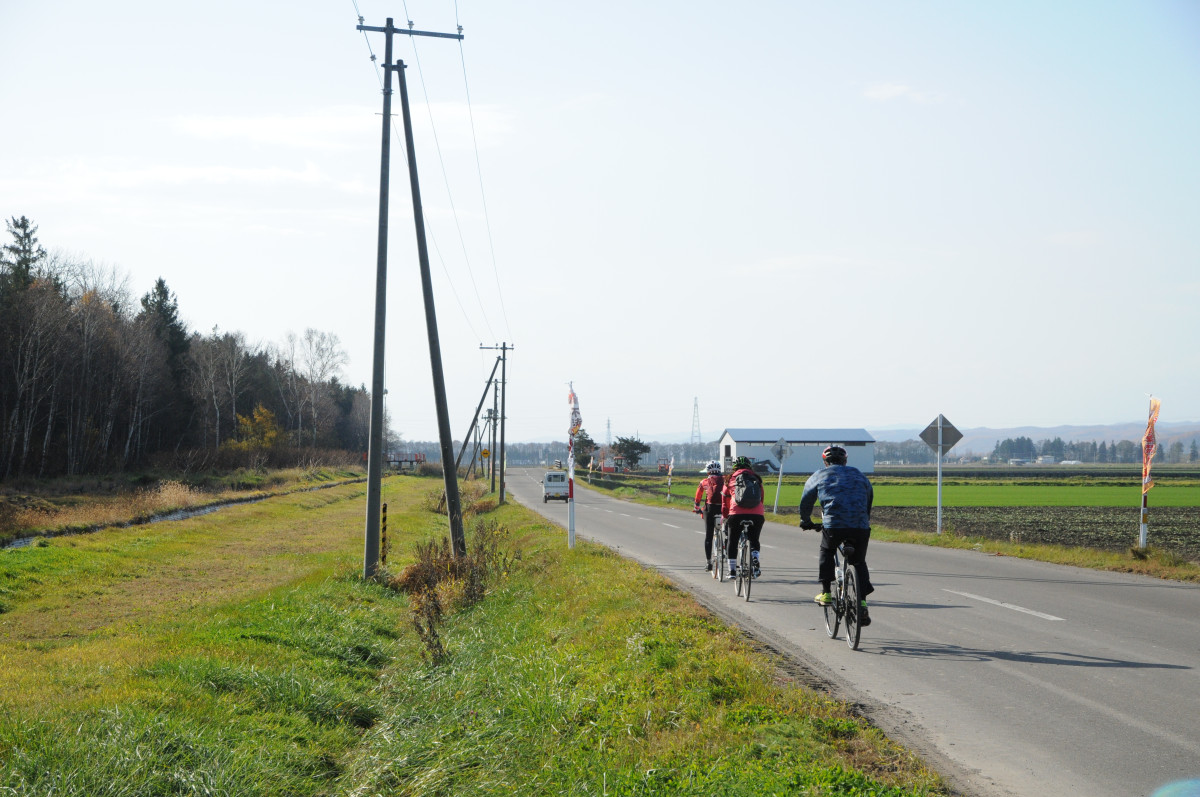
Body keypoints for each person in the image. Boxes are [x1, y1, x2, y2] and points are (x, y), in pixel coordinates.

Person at [800, 445, 875, 625]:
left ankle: (826, 593)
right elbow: (869, 497)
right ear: (845, 460)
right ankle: (862, 602)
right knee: (859, 561)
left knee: (826, 550)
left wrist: (806, 520)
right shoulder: (858, 474)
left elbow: (806, 500)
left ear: (825, 461)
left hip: (834, 524)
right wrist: (864, 518)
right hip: (860, 525)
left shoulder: (819, 475)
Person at [721, 455, 765, 579]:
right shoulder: (756, 478)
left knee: (732, 540)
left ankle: (732, 570)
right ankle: (755, 558)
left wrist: (725, 517)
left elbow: (725, 502)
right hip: (757, 515)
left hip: (736, 514)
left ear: (734, 468)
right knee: (754, 540)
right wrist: (758, 513)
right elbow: (761, 498)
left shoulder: (730, 479)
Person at [694, 460, 725, 571]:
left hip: (710, 509)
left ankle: (709, 563)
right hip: (723, 508)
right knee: (727, 530)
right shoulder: (726, 480)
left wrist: (697, 508)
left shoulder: (704, 482)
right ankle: (726, 547)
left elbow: (698, 496)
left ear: (708, 471)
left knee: (708, 536)